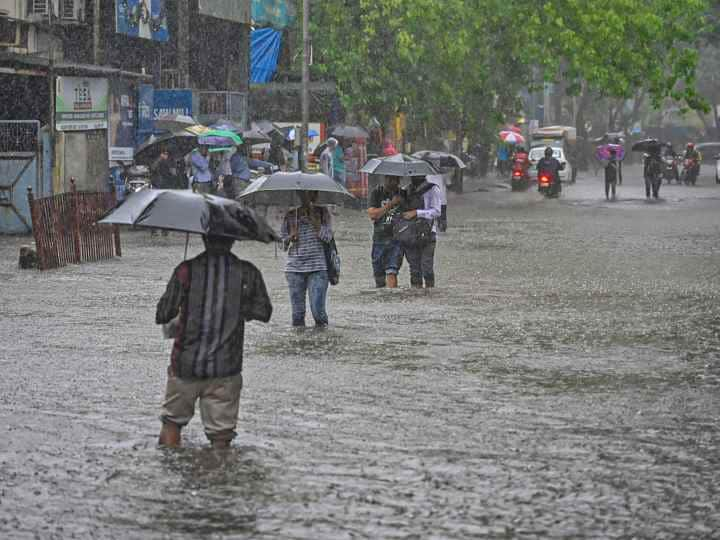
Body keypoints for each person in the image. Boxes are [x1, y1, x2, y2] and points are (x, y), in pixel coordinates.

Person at [155, 234, 272, 448]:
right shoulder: (247, 272)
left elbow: (162, 314)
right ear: (233, 239)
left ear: (204, 238)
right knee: (221, 436)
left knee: (172, 424)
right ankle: (221, 478)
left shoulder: (185, 271)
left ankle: (168, 476)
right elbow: (264, 312)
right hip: (226, 368)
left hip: (185, 365)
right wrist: (236, 308)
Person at [281, 191, 333, 327]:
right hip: (294, 269)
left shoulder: (323, 213)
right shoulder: (291, 215)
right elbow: (282, 245)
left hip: (318, 268)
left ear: (315, 196)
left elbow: (327, 237)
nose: (308, 198)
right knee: (297, 315)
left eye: (311, 195)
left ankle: (322, 342)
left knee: (318, 313)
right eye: (304, 195)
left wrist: (314, 221)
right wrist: (290, 237)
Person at [401, 175, 442, 288]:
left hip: (428, 233)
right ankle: (416, 296)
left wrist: (417, 212)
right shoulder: (405, 190)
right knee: (414, 269)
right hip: (410, 234)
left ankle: (430, 294)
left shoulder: (433, 189)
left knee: (427, 268)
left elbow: (437, 211)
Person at [367, 175, 404, 288]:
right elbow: (373, 215)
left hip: (396, 239)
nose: (393, 182)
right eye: (390, 179)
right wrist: (391, 204)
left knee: (392, 271)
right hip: (379, 238)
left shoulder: (403, 194)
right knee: (379, 276)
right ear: (385, 179)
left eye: (395, 179)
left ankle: (392, 301)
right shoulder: (377, 193)